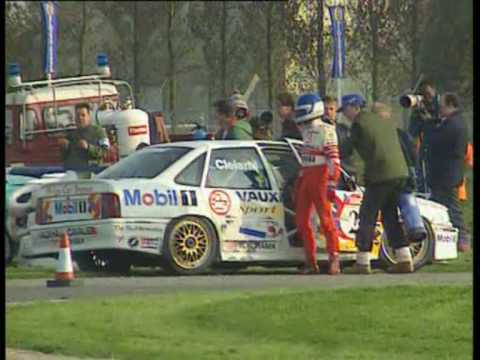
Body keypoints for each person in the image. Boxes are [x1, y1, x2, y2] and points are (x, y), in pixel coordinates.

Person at [340, 94, 412, 274]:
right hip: (400, 173)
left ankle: (362, 262)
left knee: (367, 216)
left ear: (354, 107)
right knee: (390, 216)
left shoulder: (359, 124)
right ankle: (404, 258)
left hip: (380, 175)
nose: (344, 115)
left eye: (345, 110)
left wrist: (329, 150)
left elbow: (346, 149)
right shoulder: (382, 120)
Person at [293, 93, 341, 275]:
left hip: (321, 175)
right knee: (302, 220)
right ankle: (310, 261)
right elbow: (305, 157)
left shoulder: (327, 130)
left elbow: (334, 159)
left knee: (326, 219)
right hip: (307, 174)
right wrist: (300, 178)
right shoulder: (305, 131)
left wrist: (332, 181)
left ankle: (334, 257)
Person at [427, 92, 470, 252]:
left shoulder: (454, 124)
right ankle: (448, 241)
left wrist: (431, 125)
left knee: (451, 207)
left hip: (448, 174)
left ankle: (463, 238)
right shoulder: (454, 122)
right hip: (447, 173)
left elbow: (437, 141)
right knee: (441, 205)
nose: (440, 108)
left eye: (442, 105)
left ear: (451, 104)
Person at [58, 103, 110, 178]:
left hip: (90, 173)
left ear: (88, 116)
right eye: (77, 115)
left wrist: (89, 147)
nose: (80, 118)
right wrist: (64, 147)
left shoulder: (99, 131)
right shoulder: (70, 134)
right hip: (72, 174)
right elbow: (63, 158)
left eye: (83, 115)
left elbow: (105, 152)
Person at [408, 79, 441, 193]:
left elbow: (442, 124)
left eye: (428, 94)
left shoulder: (442, 104)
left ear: (434, 90)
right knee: (421, 172)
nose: (427, 97)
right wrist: (416, 112)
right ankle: (423, 192)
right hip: (426, 146)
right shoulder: (421, 107)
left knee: (436, 177)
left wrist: (430, 119)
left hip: (440, 147)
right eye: (423, 94)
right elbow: (412, 132)